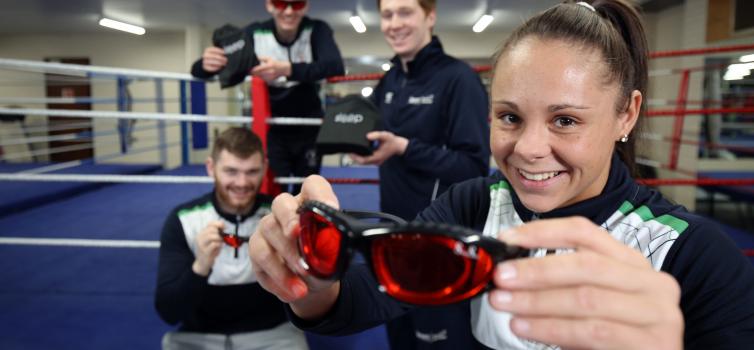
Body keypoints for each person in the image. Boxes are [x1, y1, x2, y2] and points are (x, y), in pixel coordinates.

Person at [248, 0, 754, 349]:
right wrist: (312, 279)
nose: (529, 150)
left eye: (566, 120)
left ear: (626, 114)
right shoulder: (471, 206)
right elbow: (364, 299)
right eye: (510, 117)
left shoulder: (696, 256)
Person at [347, 0, 491, 347]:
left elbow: (473, 165)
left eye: (405, 12)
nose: (394, 23)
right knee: (399, 338)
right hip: (393, 241)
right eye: (387, 14)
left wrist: (403, 147)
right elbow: (377, 136)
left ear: (430, 15)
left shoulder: (458, 79)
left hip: (440, 246)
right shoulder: (391, 80)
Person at [155, 127, 308, 349]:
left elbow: (315, 294)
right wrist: (200, 266)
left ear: (265, 169)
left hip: (272, 333)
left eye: (252, 171)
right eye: (231, 171)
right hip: (199, 336)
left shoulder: (280, 216)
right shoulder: (184, 220)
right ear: (211, 168)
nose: (242, 183)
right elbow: (168, 312)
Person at [191, 0, 345, 194]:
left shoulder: (317, 29)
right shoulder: (255, 33)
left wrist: (287, 69)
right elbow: (200, 70)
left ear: (305, 6)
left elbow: (335, 66)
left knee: (307, 190)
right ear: (270, 5)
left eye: (296, 4)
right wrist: (206, 64)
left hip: (309, 127)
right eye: (281, 3)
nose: (289, 12)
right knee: (272, 191)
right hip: (272, 129)